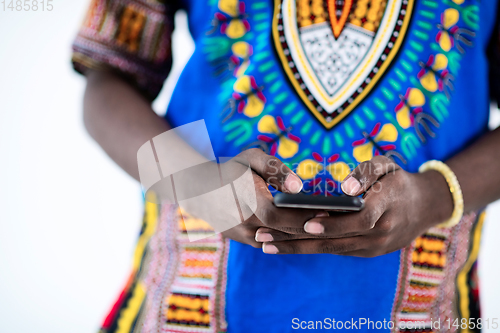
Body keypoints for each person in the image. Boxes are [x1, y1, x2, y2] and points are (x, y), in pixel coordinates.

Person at [72, 0, 500, 332]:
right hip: (195, 293)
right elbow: (109, 79)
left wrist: (435, 195)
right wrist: (203, 188)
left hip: (417, 304)